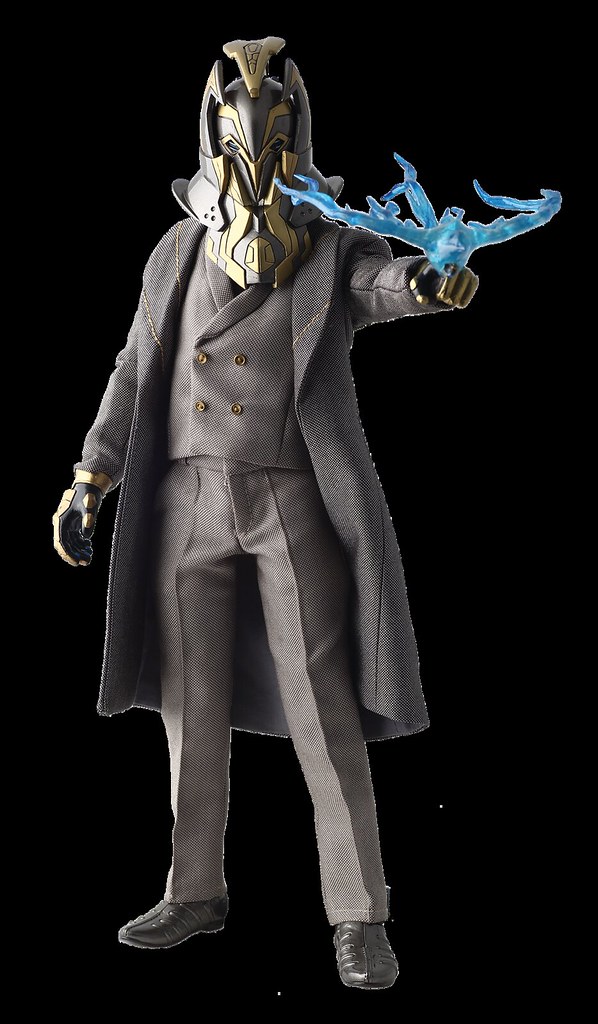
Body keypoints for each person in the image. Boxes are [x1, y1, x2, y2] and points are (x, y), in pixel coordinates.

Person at [52, 36, 477, 989]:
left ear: (296, 141)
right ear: (211, 142)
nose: (253, 160)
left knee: (324, 706)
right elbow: (134, 369)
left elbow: (385, 288)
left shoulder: (332, 248)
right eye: (237, 140)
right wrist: (90, 475)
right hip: (185, 502)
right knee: (188, 707)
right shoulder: (175, 251)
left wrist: (429, 280)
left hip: (288, 496)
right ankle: (194, 890)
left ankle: (359, 914)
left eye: (272, 140)